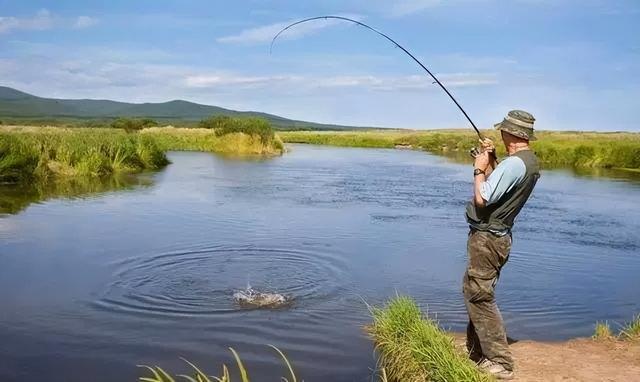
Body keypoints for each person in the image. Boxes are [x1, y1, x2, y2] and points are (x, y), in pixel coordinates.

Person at [463, 110, 540, 380]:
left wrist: (479, 167)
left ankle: (500, 362)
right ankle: (476, 350)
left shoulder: (514, 164)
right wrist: (493, 158)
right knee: (474, 289)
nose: (500, 133)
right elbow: (501, 185)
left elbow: (484, 197)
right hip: (498, 237)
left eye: (503, 130)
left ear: (514, 134)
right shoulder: (526, 162)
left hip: (488, 239)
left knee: (480, 295)